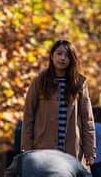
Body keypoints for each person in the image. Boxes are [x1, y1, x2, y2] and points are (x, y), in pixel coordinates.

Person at [21, 40, 96, 169]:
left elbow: (87, 119)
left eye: (67, 55)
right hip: (43, 148)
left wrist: (90, 151)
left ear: (72, 59)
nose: (63, 58)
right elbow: (28, 116)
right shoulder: (39, 81)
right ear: (52, 56)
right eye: (59, 54)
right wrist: (26, 149)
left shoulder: (79, 83)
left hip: (71, 149)